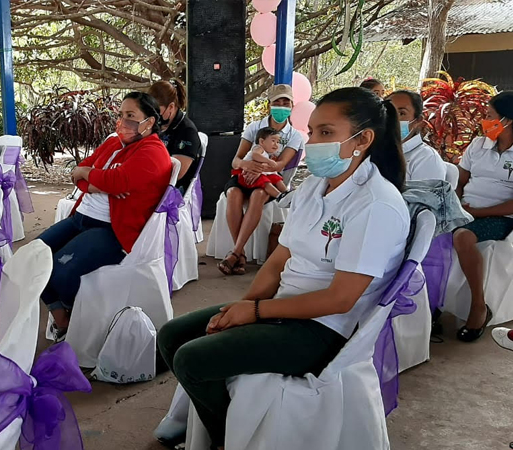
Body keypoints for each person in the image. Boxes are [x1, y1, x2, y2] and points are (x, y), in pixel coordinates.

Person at [157, 86, 409, 448]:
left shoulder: (375, 204)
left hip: (324, 330)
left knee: (192, 359)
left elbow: (341, 299)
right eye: (313, 131)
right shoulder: (314, 187)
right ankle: (221, 421)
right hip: (283, 307)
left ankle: (225, 437)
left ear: (363, 139)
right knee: (172, 335)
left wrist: (257, 310)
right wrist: (245, 306)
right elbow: (279, 259)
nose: (314, 141)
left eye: (326, 133)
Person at [37, 92, 172, 339]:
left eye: (131, 116)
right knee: (33, 257)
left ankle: (76, 318)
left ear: (150, 121)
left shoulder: (153, 151)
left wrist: (93, 175)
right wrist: (97, 180)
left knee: (60, 273)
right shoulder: (113, 142)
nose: (123, 121)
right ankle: (62, 318)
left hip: (113, 230)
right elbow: (79, 175)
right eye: (121, 115)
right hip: (80, 217)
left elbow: (116, 180)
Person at [218, 84, 304, 276]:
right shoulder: (254, 128)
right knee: (233, 193)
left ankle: (236, 253)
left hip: (268, 181)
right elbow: (236, 160)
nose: (281, 106)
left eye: (286, 102)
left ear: (292, 106)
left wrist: (259, 170)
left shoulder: (295, 136)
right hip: (243, 176)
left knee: (258, 195)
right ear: (269, 105)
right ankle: (239, 253)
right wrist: (246, 165)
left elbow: (280, 165)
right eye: (277, 102)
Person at [451, 91, 513, 342]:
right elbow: (460, 180)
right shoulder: (478, 145)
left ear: (508, 120)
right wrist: (455, 205)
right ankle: (430, 305)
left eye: (490, 116)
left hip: (500, 217)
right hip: (464, 210)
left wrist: (476, 212)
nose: (484, 122)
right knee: (424, 228)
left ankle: (478, 307)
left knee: (463, 236)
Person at [147, 80, 202, 192]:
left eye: (157, 111)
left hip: (171, 193)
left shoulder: (187, 132)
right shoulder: (155, 126)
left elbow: (176, 174)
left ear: (171, 107)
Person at [386, 90, 447, 181]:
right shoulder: (374, 149)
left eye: (401, 113)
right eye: (388, 111)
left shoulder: (426, 159)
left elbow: (424, 195)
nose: (392, 119)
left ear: (418, 120)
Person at [230, 127, 289, 199]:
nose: (276, 145)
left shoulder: (266, 153)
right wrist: (268, 161)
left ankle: (286, 193)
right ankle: (279, 196)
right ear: (262, 141)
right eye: (273, 141)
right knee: (265, 182)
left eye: (278, 142)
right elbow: (255, 155)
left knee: (276, 178)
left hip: (259, 173)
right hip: (247, 175)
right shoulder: (258, 148)